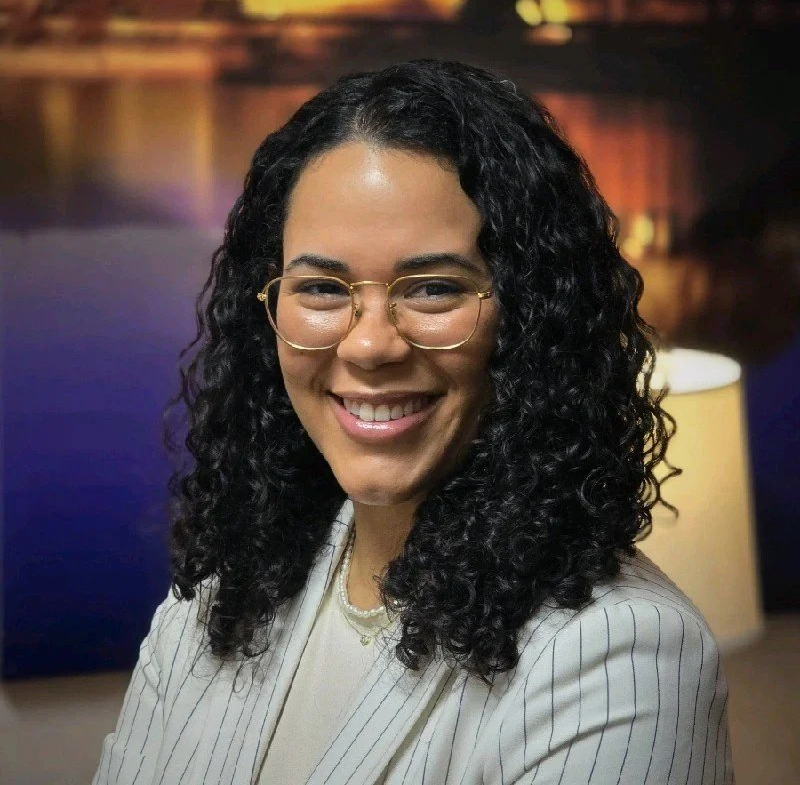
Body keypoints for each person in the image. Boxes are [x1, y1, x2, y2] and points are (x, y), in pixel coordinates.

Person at [94, 59, 734, 784]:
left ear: (530, 318)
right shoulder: (219, 598)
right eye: (322, 288)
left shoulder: (623, 657)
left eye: (432, 288)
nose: (370, 345)